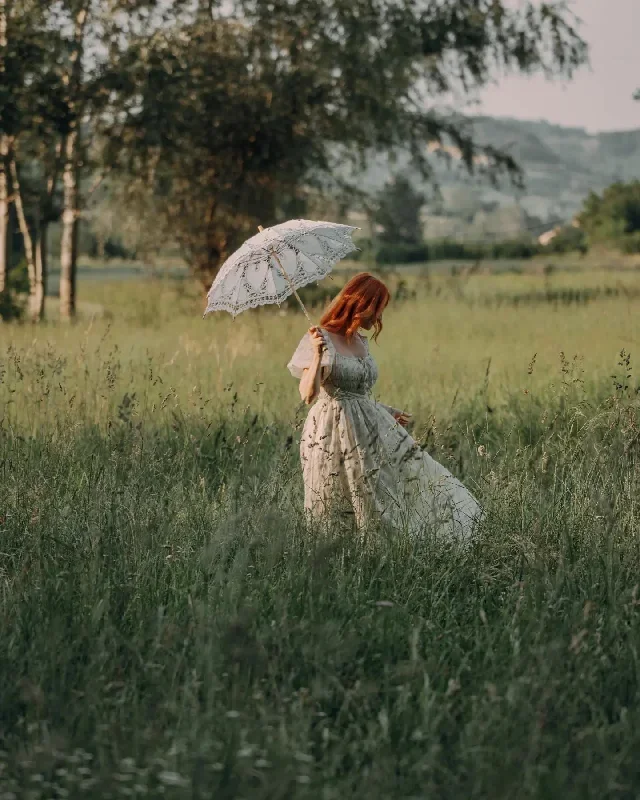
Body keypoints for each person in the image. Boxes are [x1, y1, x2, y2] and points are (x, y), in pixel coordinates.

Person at [287, 271, 482, 541]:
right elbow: (308, 395)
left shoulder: (360, 342)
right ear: (360, 304)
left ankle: (381, 547)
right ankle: (333, 556)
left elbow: (357, 392)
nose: (379, 319)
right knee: (336, 495)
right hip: (330, 429)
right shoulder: (320, 338)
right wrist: (318, 353)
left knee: (384, 486)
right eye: (377, 310)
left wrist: (386, 411)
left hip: (367, 427)